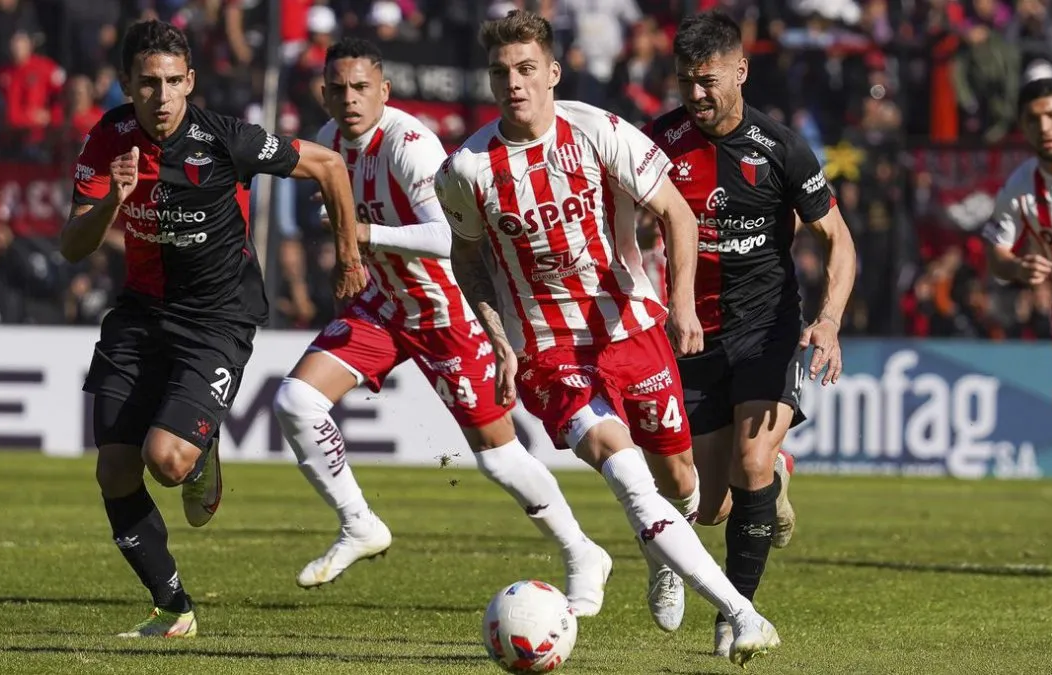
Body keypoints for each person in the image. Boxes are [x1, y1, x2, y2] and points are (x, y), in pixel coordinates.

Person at [434, 10, 780, 666]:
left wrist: (680, 303)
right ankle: (743, 612)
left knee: (685, 487)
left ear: (553, 73)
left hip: (633, 330)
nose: (514, 83)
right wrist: (499, 335)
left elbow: (675, 212)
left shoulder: (600, 132)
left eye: (527, 69)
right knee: (626, 474)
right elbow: (468, 256)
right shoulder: (468, 168)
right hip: (549, 351)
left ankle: (667, 559)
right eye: (502, 72)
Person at [272, 37, 613, 616]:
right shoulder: (328, 144)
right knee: (296, 401)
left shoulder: (409, 145)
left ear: (384, 89)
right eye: (337, 89)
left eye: (361, 88)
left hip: (446, 312)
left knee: (496, 457)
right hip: (383, 306)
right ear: (323, 93)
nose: (349, 99)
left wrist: (363, 237)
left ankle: (582, 553)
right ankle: (359, 523)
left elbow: (448, 237)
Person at [61, 19, 366, 638]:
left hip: (217, 320)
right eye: (149, 83)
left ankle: (202, 455)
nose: (163, 96)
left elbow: (331, 165)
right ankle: (172, 608)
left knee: (167, 461)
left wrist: (349, 255)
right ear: (127, 84)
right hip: (140, 313)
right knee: (115, 471)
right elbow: (72, 246)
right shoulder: (106, 140)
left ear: (191, 81)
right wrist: (112, 202)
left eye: (174, 82)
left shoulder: (225, 139)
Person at [643, 10, 856, 655]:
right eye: (686, 82)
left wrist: (829, 323)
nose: (697, 95)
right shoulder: (659, 143)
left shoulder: (783, 148)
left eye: (708, 81)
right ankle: (776, 478)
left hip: (766, 326)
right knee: (709, 506)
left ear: (741, 70)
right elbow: (622, 226)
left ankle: (736, 618)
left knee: (751, 461)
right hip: (691, 334)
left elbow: (838, 239)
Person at [984, 75, 1052, 400]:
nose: (1044, 127)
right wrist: (1017, 269)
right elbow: (996, 254)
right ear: (1022, 126)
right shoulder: (1020, 185)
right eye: (1034, 119)